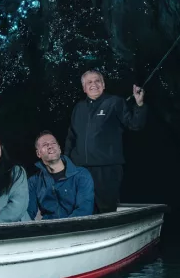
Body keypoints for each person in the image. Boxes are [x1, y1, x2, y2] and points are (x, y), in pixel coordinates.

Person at [64, 70, 145, 213]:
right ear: (84, 88)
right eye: (89, 82)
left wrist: (139, 105)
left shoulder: (115, 102)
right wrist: (66, 163)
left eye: (97, 81)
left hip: (107, 169)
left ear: (103, 84)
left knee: (106, 209)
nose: (93, 84)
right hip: (80, 169)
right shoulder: (79, 108)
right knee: (82, 207)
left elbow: (135, 124)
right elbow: (71, 137)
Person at [28, 131, 95, 220]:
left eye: (53, 143)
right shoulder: (34, 182)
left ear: (59, 149)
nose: (50, 146)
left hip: (77, 229)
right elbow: (28, 213)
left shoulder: (81, 175)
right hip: (49, 230)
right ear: (38, 153)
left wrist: (63, 228)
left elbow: (84, 210)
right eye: (45, 145)